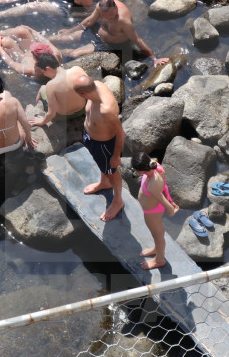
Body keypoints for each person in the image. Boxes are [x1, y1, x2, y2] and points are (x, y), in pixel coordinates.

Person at [52, 0, 169, 66]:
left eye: (112, 15)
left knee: (74, 54)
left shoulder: (124, 21)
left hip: (106, 45)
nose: (109, 18)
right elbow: (89, 21)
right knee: (62, 38)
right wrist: (69, 31)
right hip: (95, 32)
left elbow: (137, 40)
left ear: (116, 9)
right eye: (105, 16)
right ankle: (43, 42)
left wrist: (154, 58)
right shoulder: (100, 7)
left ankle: (53, 53)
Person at [73, 74, 124, 221]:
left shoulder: (106, 109)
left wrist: (116, 156)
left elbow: (121, 134)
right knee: (104, 168)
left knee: (112, 173)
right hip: (91, 138)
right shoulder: (94, 86)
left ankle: (118, 200)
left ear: (83, 94)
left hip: (104, 145)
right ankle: (104, 182)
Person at [0, 24, 83, 79]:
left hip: (23, 59)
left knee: (5, 42)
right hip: (35, 59)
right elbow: (45, 41)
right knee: (21, 30)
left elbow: (10, 62)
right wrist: (31, 30)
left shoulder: (31, 70)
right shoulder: (56, 53)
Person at [133, 152, 178, 270]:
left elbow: (164, 202)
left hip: (152, 212)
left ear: (140, 171)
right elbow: (164, 188)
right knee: (157, 233)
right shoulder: (154, 164)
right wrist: (169, 199)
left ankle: (159, 260)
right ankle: (156, 249)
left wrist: (171, 210)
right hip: (153, 208)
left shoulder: (153, 184)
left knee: (158, 235)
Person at [30, 52, 88, 126]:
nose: (44, 75)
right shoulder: (77, 69)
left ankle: (37, 106)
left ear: (48, 68)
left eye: (43, 72)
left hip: (63, 117)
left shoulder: (51, 85)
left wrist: (41, 121)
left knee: (42, 88)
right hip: (82, 110)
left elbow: (52, 114)